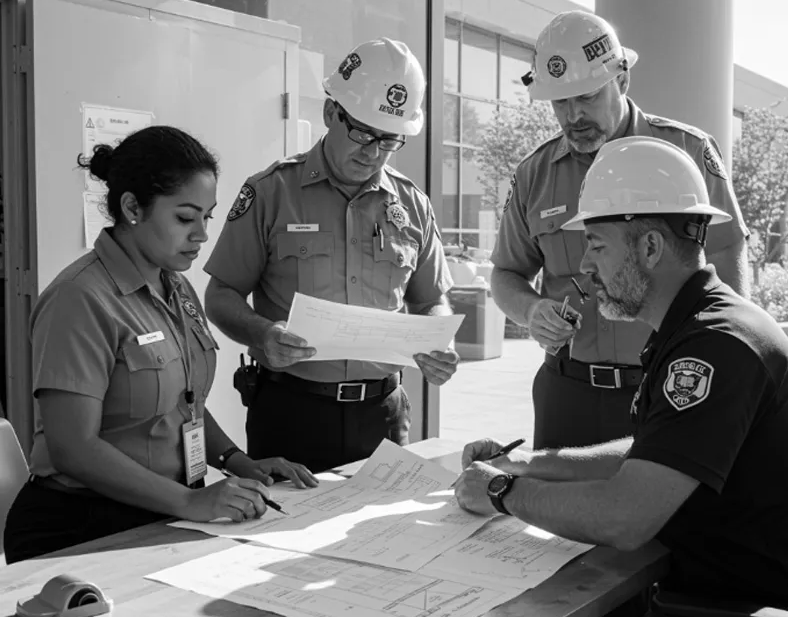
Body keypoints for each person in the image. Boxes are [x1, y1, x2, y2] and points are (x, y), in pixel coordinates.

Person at [456, 136, 788, 617]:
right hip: (708, 614)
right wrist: (529, 466)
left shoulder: (714, 348)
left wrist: (499, 494)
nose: (585, 266)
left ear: (649, 248)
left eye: (595, 244)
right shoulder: (702, 325)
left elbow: (624, 518)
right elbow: (656, 453)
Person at [4, 126, 317, 564]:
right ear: (132, 207)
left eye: (207, 217)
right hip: (80, 527)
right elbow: (72, 448)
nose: (202, 235)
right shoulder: (80, 298)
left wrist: (236, 460)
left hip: (161, 512)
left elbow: (182, 402)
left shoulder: (178, 289)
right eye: (185, 218)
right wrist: (192, 503)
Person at [491, 10, 750, 449]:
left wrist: (726, 361)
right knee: (552, 514)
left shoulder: (685, 151)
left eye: (587, 97)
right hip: (567, 392)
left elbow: (726, 256)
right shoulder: (534, 174)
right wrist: (532, 311)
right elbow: (505, 275)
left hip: (666, 389)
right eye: (560, 102)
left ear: (622, 79)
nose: (573, 116)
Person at [204, 37, 459, 474]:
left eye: (389, 141)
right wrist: (263, 334)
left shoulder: (412, 203)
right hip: (291, 412)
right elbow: (220, 295)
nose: (373, 152)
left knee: (381, 536)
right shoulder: (271, 192)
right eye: (362, 133)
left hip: (384, 414)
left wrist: (439, 338)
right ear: (329, 113)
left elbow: (430, 298)